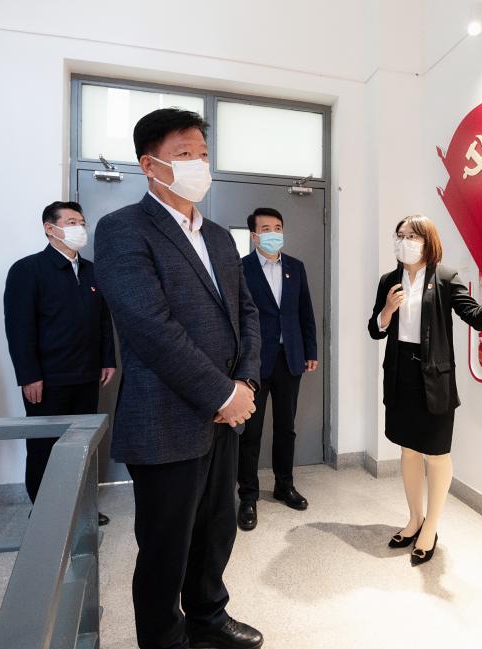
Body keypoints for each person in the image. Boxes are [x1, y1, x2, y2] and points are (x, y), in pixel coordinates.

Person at [95, 108, 264, 649]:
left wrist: (246, 384)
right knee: (166, 545)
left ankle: (209, 618)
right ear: (150, 165)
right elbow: (149, 327)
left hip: (226, 416)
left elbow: (247, 314)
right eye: (184, 154)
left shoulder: (219, 237)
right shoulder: (123, 229)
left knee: (216, 529)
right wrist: (221, 392)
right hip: (166, 415)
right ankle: (165, 639)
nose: (199, 165)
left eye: (203, 155)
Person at [368, 214, 482, 566]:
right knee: (408, 450)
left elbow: (476, 318)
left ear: (428, 242)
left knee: (436, 454)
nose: (404, 241)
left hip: (433, 377)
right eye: (399, 235)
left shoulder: (444, 277)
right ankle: (414, 519)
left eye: (412, 236)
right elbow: (375, 329)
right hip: (400, 374)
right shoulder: (388, 281)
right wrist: (387, 310)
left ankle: (430, 528)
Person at [3, 201, 116, 525]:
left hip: (87, 376)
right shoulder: (28, 270)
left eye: (81, 221)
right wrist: (29, 375)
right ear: (49, 228)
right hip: (47, 379)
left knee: (82, 445)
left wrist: (107, 359)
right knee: (44, 447)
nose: (79, 227)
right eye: (70, 222)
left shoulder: (92, 271)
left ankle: (81, 507)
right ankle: (44, 512)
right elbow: (19, 328)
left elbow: (104, 321)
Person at [236, 208, 318, 531]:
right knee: (251, 432)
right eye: (266, 228)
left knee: (286, 428)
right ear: (254, 235)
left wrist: (310, 350)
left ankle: (284, 485)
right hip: (254, 363)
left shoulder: (295, 267)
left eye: (278, 227)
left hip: (290, 360)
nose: (274, 233)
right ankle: (248, 496)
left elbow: (305, 312)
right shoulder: (241, 268)